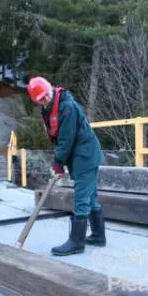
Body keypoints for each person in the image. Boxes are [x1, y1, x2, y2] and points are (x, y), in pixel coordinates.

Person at [27, 76, 107, 256]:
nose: (44, 100)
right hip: (82, 155)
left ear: (50, 89)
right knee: (90, 196)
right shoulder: (51, 106)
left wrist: (57, 163)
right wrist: (60, 162)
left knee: (81, 197)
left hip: (85, 156)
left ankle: (76, 242)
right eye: (40, 99)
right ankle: (98, 235)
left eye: (45, 95)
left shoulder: (67, 107)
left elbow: (66, 139)